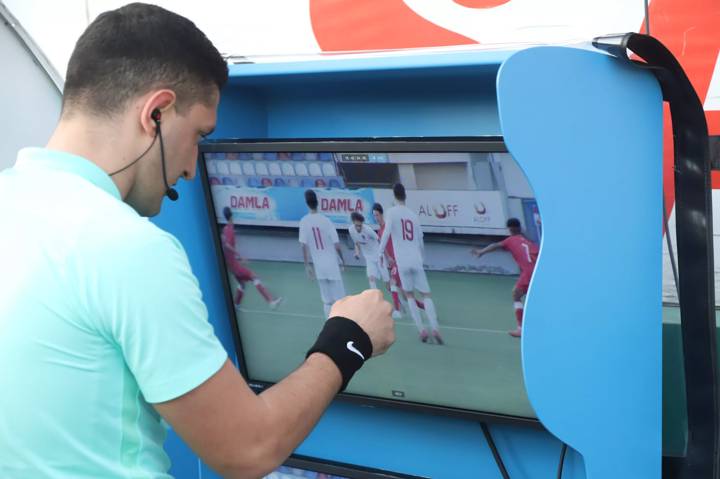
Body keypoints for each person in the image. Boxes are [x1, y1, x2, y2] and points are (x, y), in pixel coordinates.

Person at [0, 4, 395, 478]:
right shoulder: (126, 246)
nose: (190, 168)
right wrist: (349, 338)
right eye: (198, 136)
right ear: (157, 113)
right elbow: (247, 449)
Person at [378, 184, 443, 345]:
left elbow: (386, 234)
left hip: (402, 261)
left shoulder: (391, 212)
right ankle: (435, 328)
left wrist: (380, 253)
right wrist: (422, 258)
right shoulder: (413, 215)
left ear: (394, 196)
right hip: (416, 259)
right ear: (405, 196)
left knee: (409, 295)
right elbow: (420, 240)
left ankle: (421, 330)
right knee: (426, 295)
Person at [471, 217, 539, 337]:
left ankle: (521, 329)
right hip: (539, 271)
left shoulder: (510, 240)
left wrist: (481, 252)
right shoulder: (529, 241)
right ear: (520, 227)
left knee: (516, 295)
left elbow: (495, 245)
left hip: (529, 273)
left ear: (510, 229)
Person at [221, 206, 282, 308]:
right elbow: (227, 245)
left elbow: (225, 245)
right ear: (232, 216)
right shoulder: (230, 229)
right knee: (254, 277)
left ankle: (236, 304)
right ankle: (271, 301)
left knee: (242, 284)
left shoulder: (225, 229)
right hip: (234, 266)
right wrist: (239, 256)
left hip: (231, 266)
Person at [299, 189, 347, 319]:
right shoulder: (326, 221)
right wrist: (342, 262)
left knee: (327, 301)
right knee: (340, 300)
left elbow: (303, 245)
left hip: (319, 266)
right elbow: (337, 245)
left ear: (307, 203)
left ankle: (329, 327)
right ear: (317, 202)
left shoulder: (304, 221)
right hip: (332, 264)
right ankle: (343, 327)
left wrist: (307, 265)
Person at [372, 202, 425, 320]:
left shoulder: (388, 227)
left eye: (377, 215)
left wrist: (394, 257)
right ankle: (425, 306)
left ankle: (397, 310)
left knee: (393, 284)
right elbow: (384, 246)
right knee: (405, 294)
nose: (375, 218)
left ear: (381, 214)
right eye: (374, 216)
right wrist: (387, 260)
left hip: (399, 260)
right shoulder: (379, 231)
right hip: (392, 262)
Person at [348, 211, 384, 290]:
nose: (358, 228)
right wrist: (357, 253)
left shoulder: (368, 230)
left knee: (387, 280)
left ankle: (398, 299)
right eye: (356, 226)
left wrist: (383, 254)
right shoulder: (351, 230)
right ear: (353, 222)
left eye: (360, 226)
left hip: (378, 256)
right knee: (371, 278)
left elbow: (379, 240)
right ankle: (375, 299)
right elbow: (357, 243)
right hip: (368, 257)